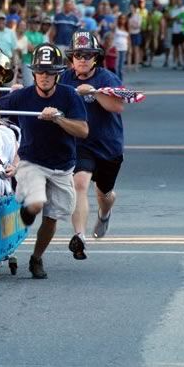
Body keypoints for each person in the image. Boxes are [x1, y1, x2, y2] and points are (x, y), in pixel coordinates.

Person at [0, 43, 88, 279]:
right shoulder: (22, 96)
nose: (44, 77)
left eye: (49, 72)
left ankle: (36, 258)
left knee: (52, 218)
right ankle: (26, 211)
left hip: (62, 165)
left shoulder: (69, 96)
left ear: (58, 74)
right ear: (34, 73)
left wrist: (59, 119)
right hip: (31, 161)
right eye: (40, 71)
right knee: (37, 202)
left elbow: (83, 130)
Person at [60, 31, 124, 260]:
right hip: (80, 143)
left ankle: (105, 214)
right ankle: (80, 236)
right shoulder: (65, 79)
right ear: (71, 58)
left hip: (108, 145)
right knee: (79, 183)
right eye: (78, 54)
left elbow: (118, 106)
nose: (83, 59)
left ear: (95, 58)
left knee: (104, 194)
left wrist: (95, 93)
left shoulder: (107, 78)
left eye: (88, 54)